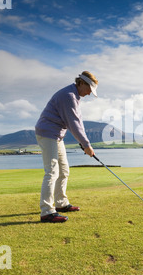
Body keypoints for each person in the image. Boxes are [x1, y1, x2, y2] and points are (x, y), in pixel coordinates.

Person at [35, 71, 98, 223]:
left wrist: (85, 144)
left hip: (57, 135)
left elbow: (78, 122)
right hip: (48, 133)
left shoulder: (74, 96)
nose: (90, 93)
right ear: (81, 83)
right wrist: (86, 145)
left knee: (64, 171)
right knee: (52, 171)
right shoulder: (69, 96)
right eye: (89, 88)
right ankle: (47, 211)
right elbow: (74, 124)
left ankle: (61, 204)